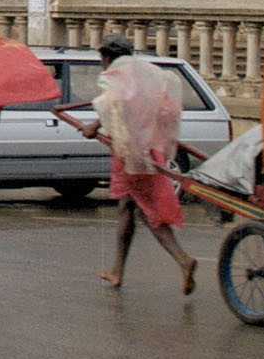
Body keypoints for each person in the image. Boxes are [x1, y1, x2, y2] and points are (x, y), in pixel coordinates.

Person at [78, 35, 197, 295]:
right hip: (148, 149)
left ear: (107, 56)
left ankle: (183, 259)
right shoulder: (146, 75)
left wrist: (93, 126)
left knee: (145, 210)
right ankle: (117, 271)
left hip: (129, 154)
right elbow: (165, 111)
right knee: (127, 208)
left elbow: (112, 105)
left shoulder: (118, 76)